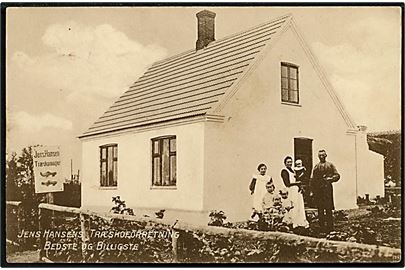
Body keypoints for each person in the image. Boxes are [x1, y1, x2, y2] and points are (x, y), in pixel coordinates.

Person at [310, 149, 340, 233]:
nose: (321, 157)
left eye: (323, 155)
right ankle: (322, 227)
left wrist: (331, 179)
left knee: (328, 208)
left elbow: (337, 175)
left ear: (326, 156)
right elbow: (312, 179)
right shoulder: (316, 167)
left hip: (327, 189)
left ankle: (330, 227)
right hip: (318, 190)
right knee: (320, 209)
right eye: (320, 156)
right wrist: (312, 191)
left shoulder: (330, 165)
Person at [281, 156, 309, 228]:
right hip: (291, 190)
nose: (289, 163)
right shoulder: (284, 171)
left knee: (298, 206)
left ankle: (299, 221)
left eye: (291, 162)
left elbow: (297, 179)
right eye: (288, 162)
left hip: (296, 191)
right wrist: (297, 183)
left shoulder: (293, 171)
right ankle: (293, 222)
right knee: (293, 206)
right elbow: (287, 183)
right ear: (285, 163)